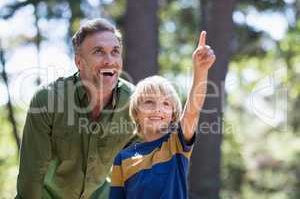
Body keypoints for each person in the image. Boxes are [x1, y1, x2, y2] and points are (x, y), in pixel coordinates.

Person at [16, 18, 137, 199]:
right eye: (99, 52)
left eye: (115, 52)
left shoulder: (135, 102)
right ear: (79, 62)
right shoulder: (48, 100)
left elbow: (148, 162)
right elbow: (31, 176)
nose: (109, 60)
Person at [109, 31, 216, 199]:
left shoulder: (176, 144)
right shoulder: (123, 158)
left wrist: (200, 71)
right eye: (149, 102)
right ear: (136, 113)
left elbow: (192, 112)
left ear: (173, 115)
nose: (158, 109)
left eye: (166, 104)